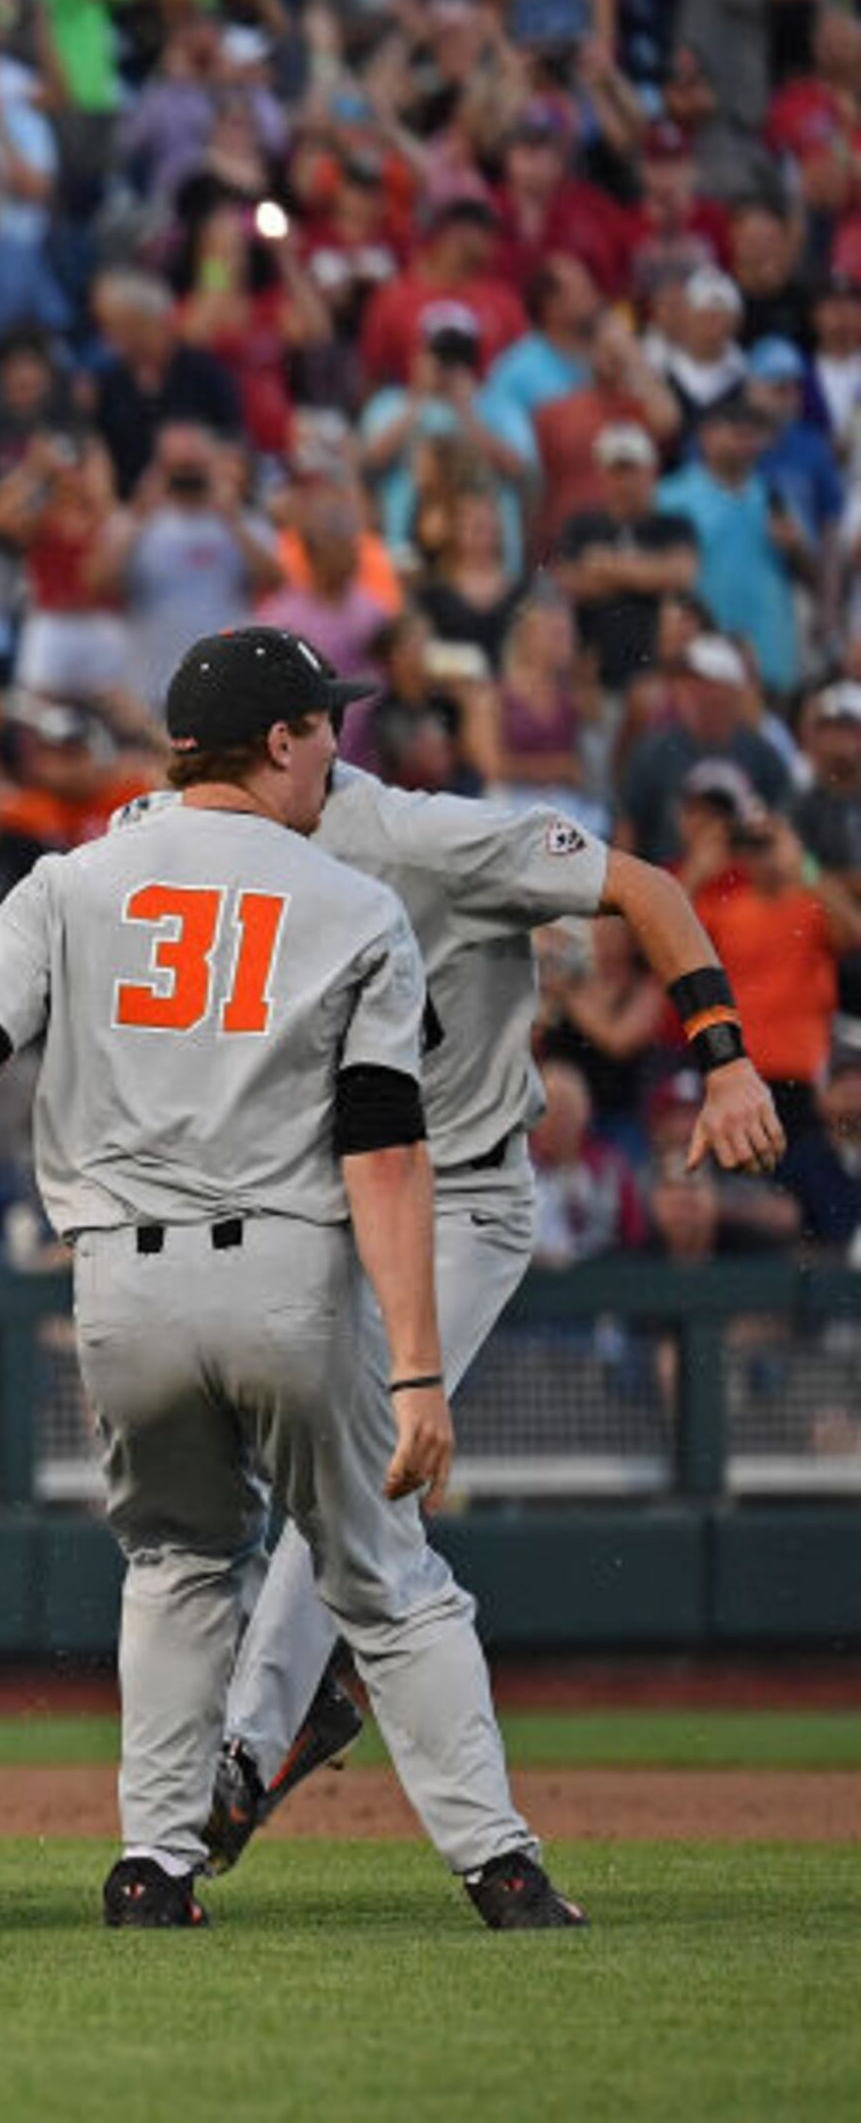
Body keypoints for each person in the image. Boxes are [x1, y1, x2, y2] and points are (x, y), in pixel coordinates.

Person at [0, 625, 585, 1933]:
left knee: (175, 1566)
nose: (335, 747)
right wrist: (416, 1362)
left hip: (123, 1292)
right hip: (289, 1278)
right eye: (324, 725)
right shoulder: (354, 905)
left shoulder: (74, 882)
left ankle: (154, 1867)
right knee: (386, 1576)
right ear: (283, 742)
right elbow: (382, 1145)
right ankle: (502, 1868)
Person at [198, 754, 787, 1867]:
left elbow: (652, 889)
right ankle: (296, 1709)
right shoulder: (209, 841)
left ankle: (247, 1746)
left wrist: (726, 1061)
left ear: (292, 748)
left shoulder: (434, 838)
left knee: (349, 1462)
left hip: (460, 1191)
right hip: (326, 1190)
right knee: (289, 1461)